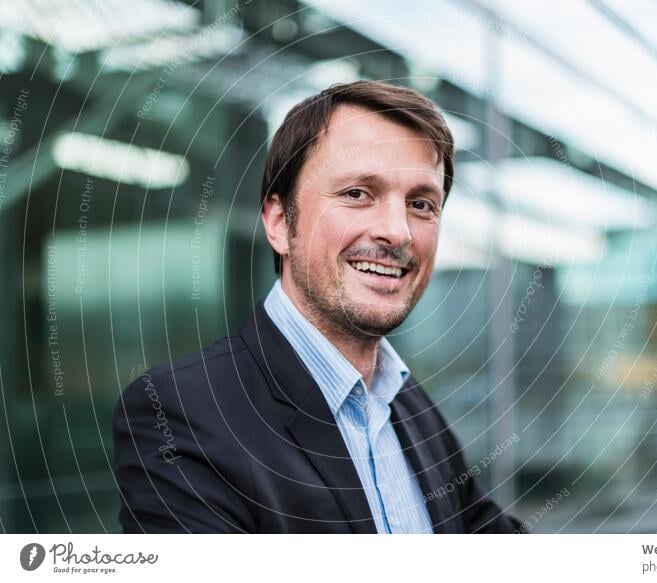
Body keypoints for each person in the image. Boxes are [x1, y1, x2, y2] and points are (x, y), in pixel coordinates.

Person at [113, 80, 521, 533]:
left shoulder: (405, 403)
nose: (399, 232)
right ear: (280, 222)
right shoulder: (181, 411)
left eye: (421, 204)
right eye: (357, 194)